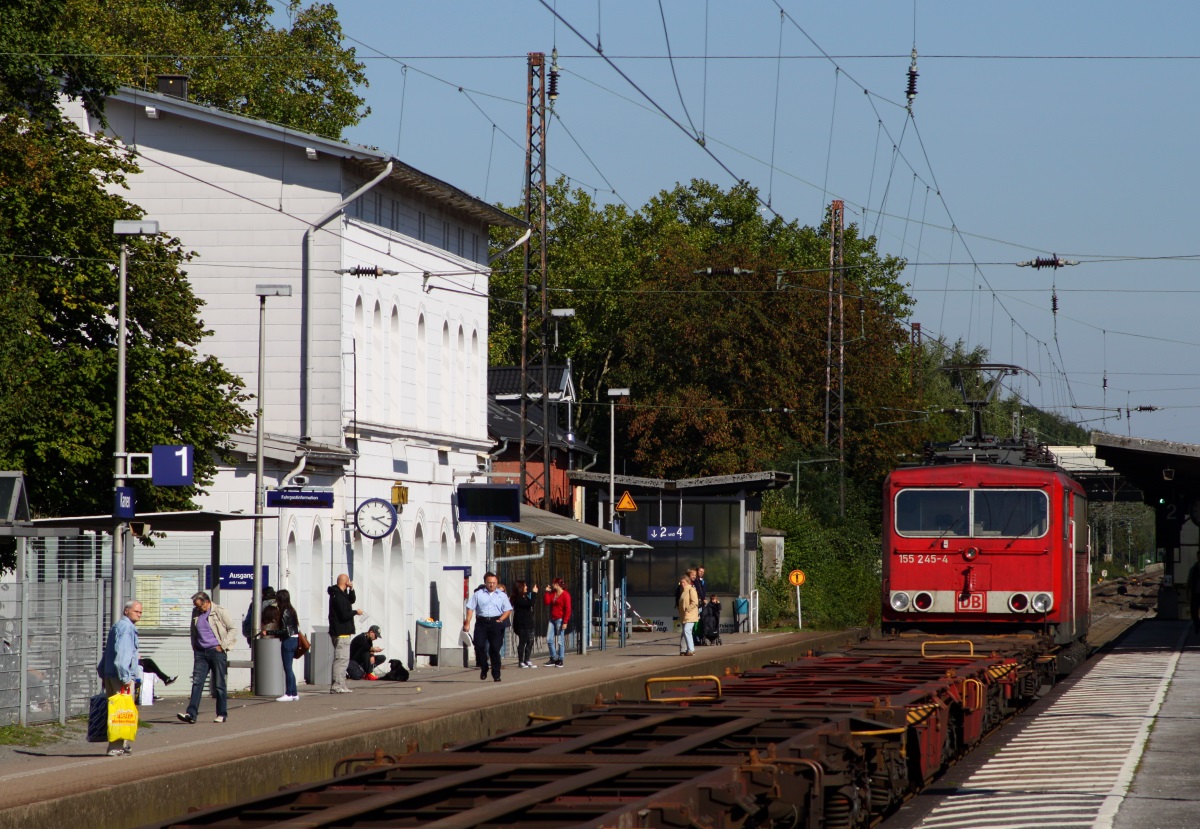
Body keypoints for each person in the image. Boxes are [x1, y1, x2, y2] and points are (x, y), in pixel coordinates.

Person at [178, 591, 237, 724]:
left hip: (216, 651)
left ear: (206, 602)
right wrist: (194, 645)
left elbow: (233, 629)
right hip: (200, 652)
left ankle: (222, 713)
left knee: (219, 684)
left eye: (199, 606)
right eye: (196, 606)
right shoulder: (196, 613)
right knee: (197, 682)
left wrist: (223, 645)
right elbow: (193, 630)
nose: (198, 609)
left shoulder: (219, 611)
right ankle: (191, 714)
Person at [97, 600, 142, 756]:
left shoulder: (117, 626)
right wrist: (126, 678)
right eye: (136, 611)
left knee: (119, 709)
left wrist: (102, 671)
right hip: (120, 676)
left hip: (111, 673)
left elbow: (109, 651)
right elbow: (122, 656)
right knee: (121, 710)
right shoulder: (127, 629)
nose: (139, 614)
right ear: (126, 611)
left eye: (140, 612)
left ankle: (123, 742)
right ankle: (115, 746)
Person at [463, 571, 512, 682]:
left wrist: (501, 619)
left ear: (497, 583)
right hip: (482, 622)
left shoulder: (502, 595)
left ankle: (496, 674)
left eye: (494, 583)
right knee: (479, 646)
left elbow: (508, 609)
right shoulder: (478, 594)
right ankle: (484, 666)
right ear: (485, 583)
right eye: (489, 583)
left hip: (496, 622)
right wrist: (468, 622)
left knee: (495, 649)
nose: (492, 585)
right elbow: (470, 608)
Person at [327, 573, 363, 693]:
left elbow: (351, 600)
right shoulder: (338, 595)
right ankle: (337, 685)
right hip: (340, 632)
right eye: (348, 582)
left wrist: (351, 589)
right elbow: (344, 615)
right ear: (345, 582)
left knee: (344, 660)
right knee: (340, 659)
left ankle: (341, 684)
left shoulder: (341, 594)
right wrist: (355, 612)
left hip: (343, 632)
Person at [266, 589, 301, 701]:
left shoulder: (285, 611)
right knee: (289, 668)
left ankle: (289, 693)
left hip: (288, 641)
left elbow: (285, 631)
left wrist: (269, 632)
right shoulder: (292, 610)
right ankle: (294, 693)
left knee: (287, 668)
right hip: (295, 639)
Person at [543, 577, 572, 668]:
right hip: (553, 618)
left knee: (560, 640)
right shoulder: (553, 593)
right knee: (549, 639)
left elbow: (568, 609)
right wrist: (547, 592)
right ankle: (554, 657)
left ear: (557, 584)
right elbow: (547, 602)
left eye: (553, 583)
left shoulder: (565, 595)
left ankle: (560, 659)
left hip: (560, 619)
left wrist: (565, 621)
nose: (552, 585)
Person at [511, 580, 537, 668]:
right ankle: (521, 661)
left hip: (529, 623)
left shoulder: (525, 596)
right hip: (521, 624)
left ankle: (527, 659)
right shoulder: (518, 599)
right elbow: (530, 604)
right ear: (520, 588)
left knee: (530, 641)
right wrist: (534, 593)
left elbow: (530, 604)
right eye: (525, 586)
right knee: (523, 642)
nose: (526, 587)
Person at [677, 574, 698, 656]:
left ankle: (691, 649)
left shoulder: (691, 589)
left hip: (690, 614)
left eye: (684, 582)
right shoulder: (683, 591)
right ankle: (686, 649)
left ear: (687, 582)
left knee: (687, 630)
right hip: (684, 615)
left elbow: (695, 602)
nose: (682, 584)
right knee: (685, 632)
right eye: (681, 582)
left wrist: (687, 609)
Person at [1188, 559, 1200, 634]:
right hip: (1196, 593)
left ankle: (1197, 625)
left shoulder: (1194, 569)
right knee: (1194, 611)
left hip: (1196, 592)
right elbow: (1189, 581)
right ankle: (1197, 625)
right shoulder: (1194, 569)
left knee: (1194, 611)